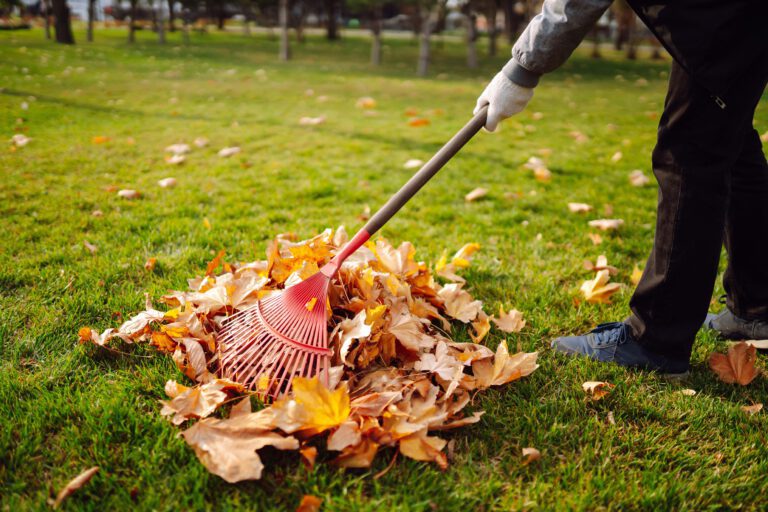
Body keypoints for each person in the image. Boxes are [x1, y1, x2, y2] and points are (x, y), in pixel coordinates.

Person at [474, 0, 768, 374]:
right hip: (736, 17)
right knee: (730, 141)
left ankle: (657, 339)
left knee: (691, 149)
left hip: (727, 17)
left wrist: (523, 68)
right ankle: (756, 307)